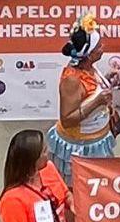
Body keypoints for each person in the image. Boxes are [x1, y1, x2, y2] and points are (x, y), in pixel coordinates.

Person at [48, 15, 116, 186]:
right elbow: (67, 119)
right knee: (76, 194)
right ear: (89, 54)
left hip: (98, 142)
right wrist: (98, 101)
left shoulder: (89, 67)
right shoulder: (72, 79)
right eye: (99, 46)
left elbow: (89, 91)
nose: (103, 47)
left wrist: (106, 80)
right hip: (79, 146)